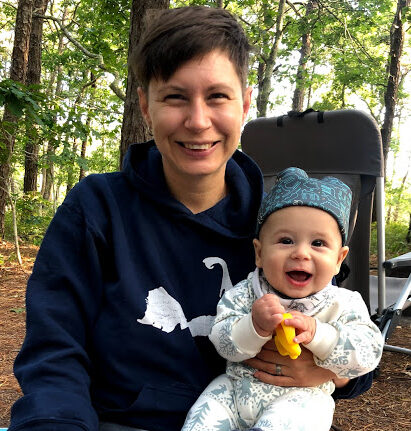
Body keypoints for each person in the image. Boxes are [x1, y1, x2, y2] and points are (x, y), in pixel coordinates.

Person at [9, 7, 373, 431]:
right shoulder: (96, 209)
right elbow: (54, 352)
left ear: (245, 104)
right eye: (175, 97)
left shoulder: (287, 227)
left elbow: (350, 335)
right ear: (145, 105)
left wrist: (333, 373)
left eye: (217, 96)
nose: (198, 121)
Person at [182, 167, 383, 431]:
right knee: (203, 417)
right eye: (286, 240)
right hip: (234, 389)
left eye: (318, 243)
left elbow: (368, 353)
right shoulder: (245, 294)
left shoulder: (342, 304)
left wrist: (319, 335)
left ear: (339, 259)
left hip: (301, 397)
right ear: (259, 253)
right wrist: (253, 327)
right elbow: (222, 342)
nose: (301, 253)